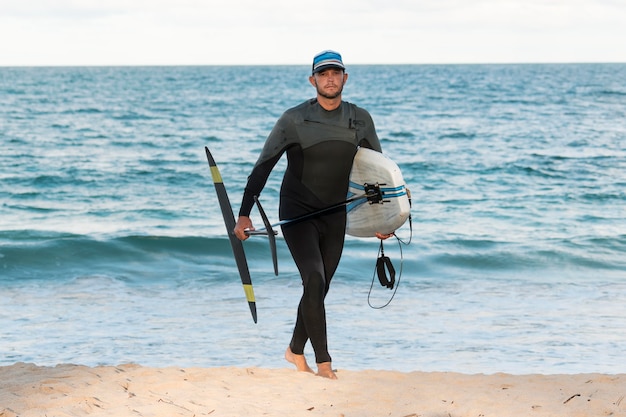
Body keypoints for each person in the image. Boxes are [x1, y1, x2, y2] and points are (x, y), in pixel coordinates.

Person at [234, 50, 391, 379]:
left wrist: (383, 218)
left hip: (335, 214)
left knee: (318, 288)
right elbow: (264, 165)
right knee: (315, 279)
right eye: (323, 74)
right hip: (297, 212)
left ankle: (293, 350)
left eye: (336, 73)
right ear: (312, 80)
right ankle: (324, 364)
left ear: (345, 78)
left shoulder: (360, 118)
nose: (330, 78)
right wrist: (245, 214)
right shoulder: (293, 119)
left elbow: (377, 172)